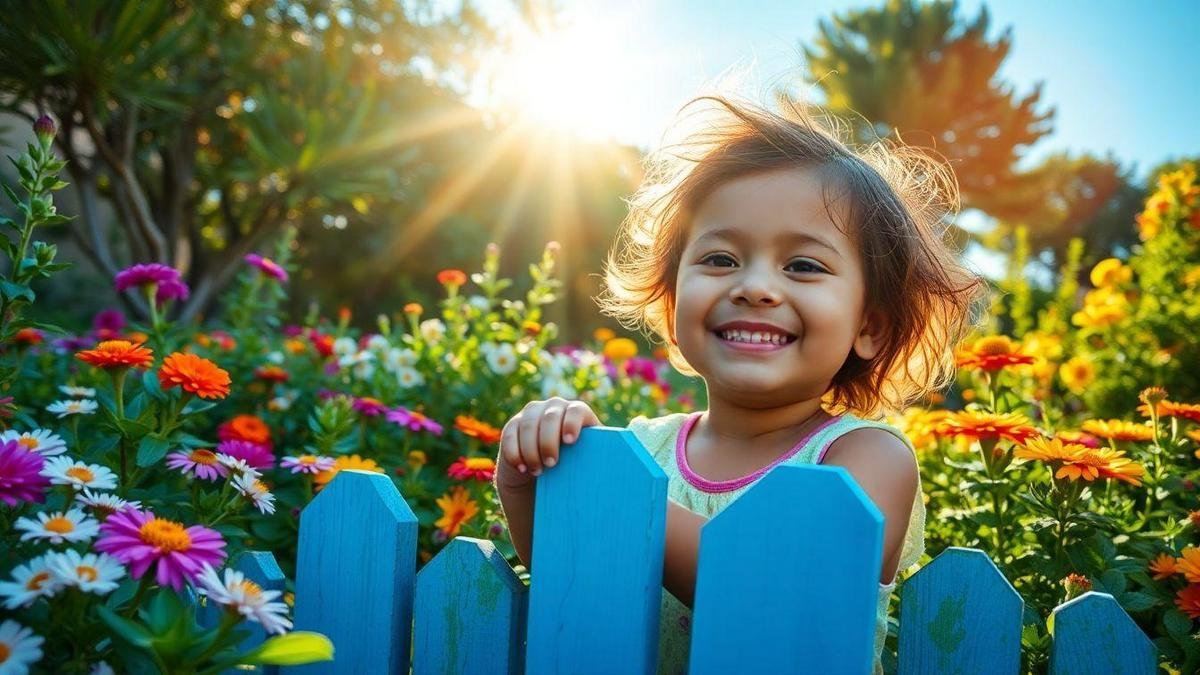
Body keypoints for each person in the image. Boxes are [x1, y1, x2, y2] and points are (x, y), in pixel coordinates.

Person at [494, 94, 986, 674]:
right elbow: (576, 585)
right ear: (675, 300)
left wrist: (618, 495)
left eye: (803, 265)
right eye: (721, 259)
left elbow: (779, 595)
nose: (755, 286)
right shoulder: (644, 449)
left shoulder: (865, 458)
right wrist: (536, 485)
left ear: (869, 326)